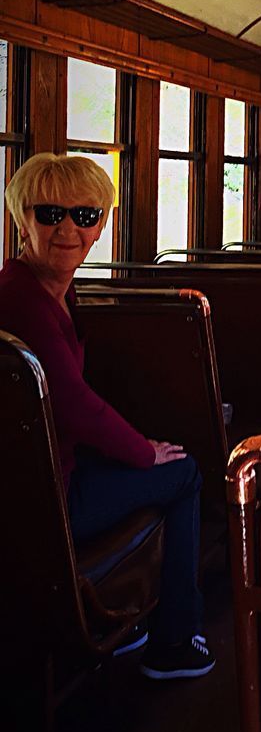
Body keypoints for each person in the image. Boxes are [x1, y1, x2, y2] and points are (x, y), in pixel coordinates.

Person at [0, 153, 215, 680]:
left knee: (160, 459)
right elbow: (72, 402)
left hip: (43, 475)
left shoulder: (51, 288)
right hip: (41, 502)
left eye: (85, 215)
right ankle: (174, 641)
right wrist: (143, 451)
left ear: (102, 224)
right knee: (182, 472)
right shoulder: (21, 301)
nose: (68, 229)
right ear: (21, 218)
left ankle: (128, 615)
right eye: (49, 214)